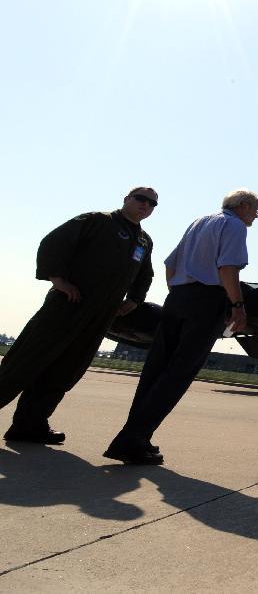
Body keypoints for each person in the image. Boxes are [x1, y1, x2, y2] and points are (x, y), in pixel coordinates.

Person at [104, 188, 258, 464]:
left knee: (157, 368)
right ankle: (133, 439)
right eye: (255, 210)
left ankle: (136, 435)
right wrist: (237, 305)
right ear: (244, 205)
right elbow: (227, 269)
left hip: (178, 297)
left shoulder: (201, 221)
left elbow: (170, 264)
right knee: (179, 372)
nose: (256, 217)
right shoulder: (234, 225)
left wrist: (179, 294)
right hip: (206, 300)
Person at [0, 187, 157, 444]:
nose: (146, 205)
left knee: (65, 371)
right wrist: (57, 279)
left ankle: (29, 425)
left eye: (152, 203)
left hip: (100, 317)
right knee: (25, 362)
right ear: (127, 199)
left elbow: (145, 275)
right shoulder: (96, 221)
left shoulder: (143, 241)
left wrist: (135, 300)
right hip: (67, 307)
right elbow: (53, 242)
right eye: (141, 199)